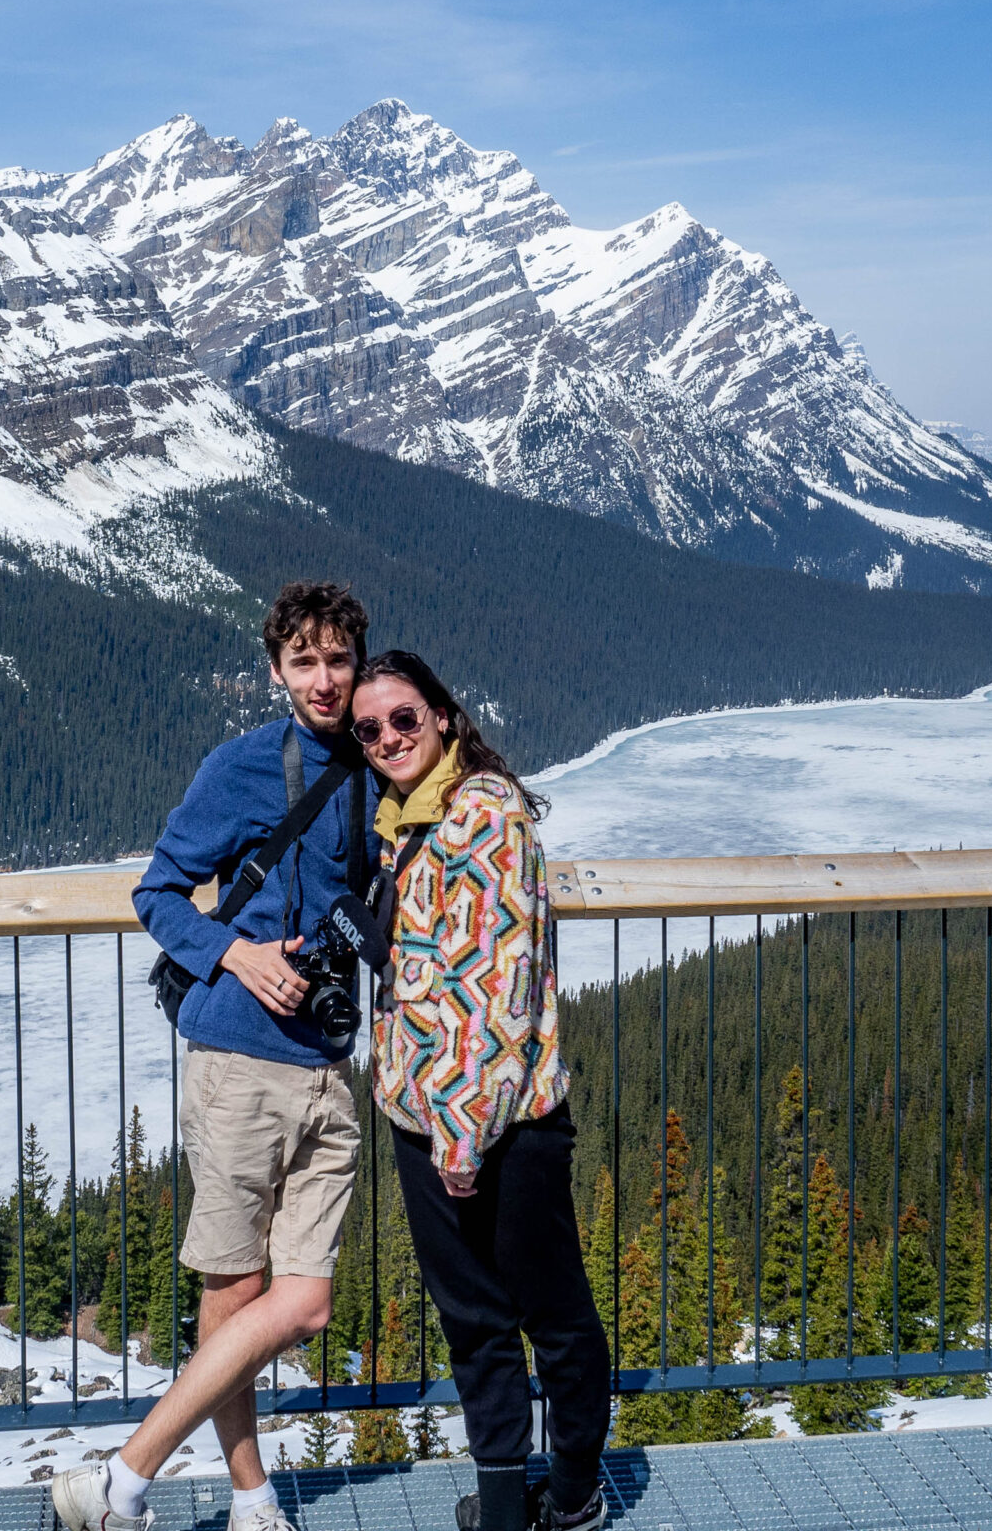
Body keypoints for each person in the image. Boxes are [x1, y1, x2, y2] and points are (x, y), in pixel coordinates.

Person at [51, 582, 377, 1531]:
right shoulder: (239, 769)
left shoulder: (373, 766)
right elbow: (156, 893)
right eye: (305, 662)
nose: (324, 680)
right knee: (234, 1293)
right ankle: (251, 1498)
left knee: (304, 1303)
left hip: (327, 1062)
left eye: (338, 660)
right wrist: (233, 951)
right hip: (237, 1063)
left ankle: (122, 1478)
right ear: (277, 670)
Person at [353, 650, 610, 1531]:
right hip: (420, 1116)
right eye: (370, 728)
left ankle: (573, 1496)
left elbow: (496, 993)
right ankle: (504, 1505)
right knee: (474, 1322)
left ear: (445, 717)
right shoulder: (402, 821)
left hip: (503, 1123)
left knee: (552, 1315)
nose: (388, 737)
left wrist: (461, 1139)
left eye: (404, 719)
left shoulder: (485, 817)